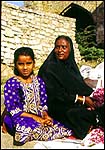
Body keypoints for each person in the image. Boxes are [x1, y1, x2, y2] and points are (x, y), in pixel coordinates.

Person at [1, 47, 72, 146]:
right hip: (18, 118)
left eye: (28, 63)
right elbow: (14, 109)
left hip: (37, 117)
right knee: (23, 130)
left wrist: (45, 116)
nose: (25, 68)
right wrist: (37, 119)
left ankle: (41, 129)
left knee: (63, 128)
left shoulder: (39, 81)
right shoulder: (12, 83)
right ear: (15, 65)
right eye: (21, 64)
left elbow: (43, 103)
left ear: (33, 63)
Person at [38, 35, 104, 140]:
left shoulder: (70, 66)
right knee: (75, 114)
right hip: (57, 105)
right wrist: (82, 99)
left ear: (70, 49)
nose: (60, 50)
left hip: (74, 101)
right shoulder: (49, 68)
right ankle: (89, 127)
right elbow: (55, 94)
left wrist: (93, 97)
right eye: (57, 47)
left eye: (64, 47)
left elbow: (79, 86)